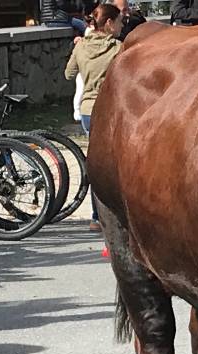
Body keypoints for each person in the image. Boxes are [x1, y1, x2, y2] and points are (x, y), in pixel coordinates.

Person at [65, 4, 123, 231]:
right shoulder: (119, 49)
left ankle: (96, 217)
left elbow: (68, 73)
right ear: (108, 23)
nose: (121, 25)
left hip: (88, 112)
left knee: (96, 164)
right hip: (109, 109)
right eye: (119, 21)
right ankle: (116, 215)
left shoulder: (81, 47)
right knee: (116, 165)